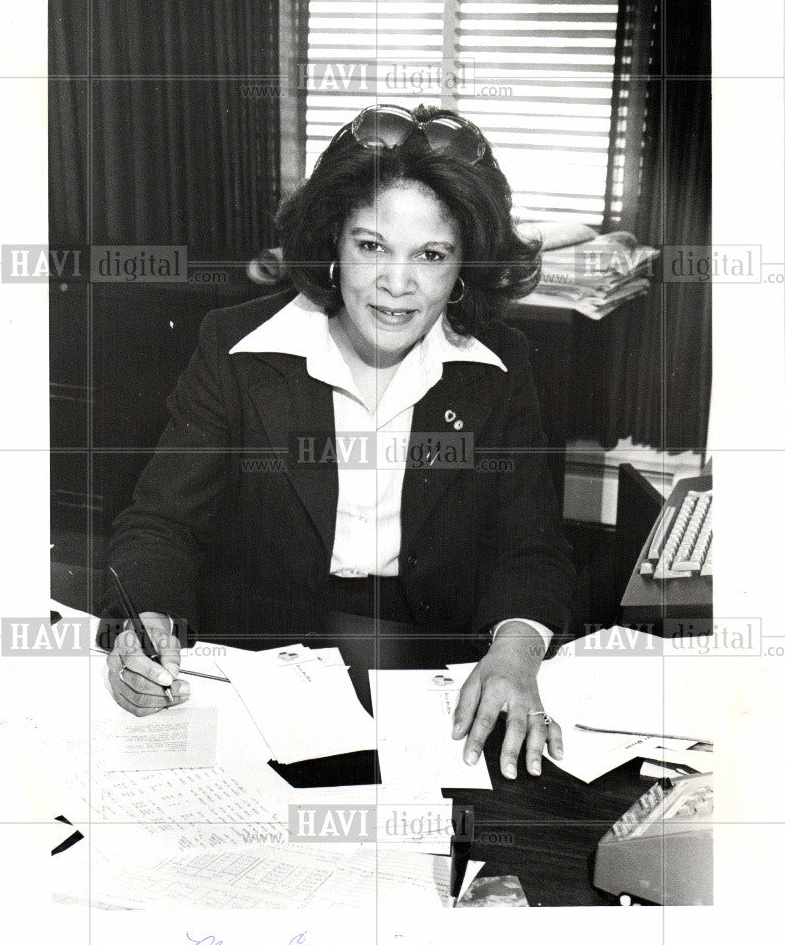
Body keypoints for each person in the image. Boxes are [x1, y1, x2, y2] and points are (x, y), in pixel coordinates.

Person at [103, 103, 576, 780]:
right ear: (332, 244)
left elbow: (528, 546)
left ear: (463, 265)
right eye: (371, 245)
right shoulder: (235, 348)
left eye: (431, 255)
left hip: (429, 656)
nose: (397, 283)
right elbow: (161, 524)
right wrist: (143, 626)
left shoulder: (501, 367)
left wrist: (515, 653)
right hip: (261, 655)